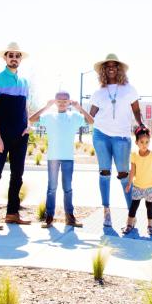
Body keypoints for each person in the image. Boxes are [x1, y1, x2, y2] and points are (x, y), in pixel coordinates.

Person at [89, 53, 146, 227]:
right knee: (104, 173)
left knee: (124, 175)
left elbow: (136, 110)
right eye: (108, 66)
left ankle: (131, 215)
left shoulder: (129, 89)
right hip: (100, 135)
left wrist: (141, 126)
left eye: (114, 66)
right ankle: (106, 212)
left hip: (121, 136)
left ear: (119, 69)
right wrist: (77, 114)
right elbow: (91, 116)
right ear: (104, 70)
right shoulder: (98, 93)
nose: (111, 68)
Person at [29, 91, 94, 228]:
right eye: (59, 100)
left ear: (69, 101)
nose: (62, 103)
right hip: (53, 158)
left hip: (68, 158)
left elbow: (91, 121)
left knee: (68, 189)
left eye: (65, 100)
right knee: (52, 188)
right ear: (55, 101)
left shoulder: (75, 116)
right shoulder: (49, 116)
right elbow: (32, 119)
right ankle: (49, 217)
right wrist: (47, 106)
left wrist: (80, 108)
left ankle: (69, 217)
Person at [0, 42, 32, 230]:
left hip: (20, 136)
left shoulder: (24, 82)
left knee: (17, 175)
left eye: (17, 55)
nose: (14, 58)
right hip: (1, 136)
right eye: (10, 55)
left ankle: (12, 213)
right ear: (5, 58)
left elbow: (25, 106)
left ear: (20, 59)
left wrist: (27, 124)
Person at [123, 127, 152, 236]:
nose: (144, 144)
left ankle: (150, 226)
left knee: (149, 206)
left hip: (150, 187)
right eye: (141, 142)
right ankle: (129, 224)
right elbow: (132, 171)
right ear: (136, 142)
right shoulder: (134, 155)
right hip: (137, 186)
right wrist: (129, 183)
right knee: (133, 206)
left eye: (147, 142)